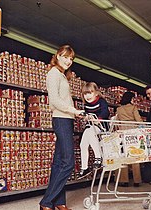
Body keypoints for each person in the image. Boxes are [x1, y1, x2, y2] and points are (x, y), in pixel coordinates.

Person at [39, 45, 84, 210]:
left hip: (67, 120)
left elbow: (65, 100)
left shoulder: (62, 76)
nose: (68, 61)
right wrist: (74, 110)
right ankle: (46, 202)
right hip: (61, 119)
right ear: (57, 55)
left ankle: (59, 202)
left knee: (58, 163)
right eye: (65, 57)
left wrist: (76, 114)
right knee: (68, 163)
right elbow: (55, 101)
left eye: (71, 59)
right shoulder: (53, 74)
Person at [79, 82, 110, 177]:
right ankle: (84, 167)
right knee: (83, 144)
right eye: (85, 94)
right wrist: (86, 117)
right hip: (91, 127)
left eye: (90, 93)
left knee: (89, 132)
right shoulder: (86, 105)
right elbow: (88, 115)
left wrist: (98, 119)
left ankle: (98, 157)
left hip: (102, 127)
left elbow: (106, 112)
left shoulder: (101, 101)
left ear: (96, 93)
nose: (87, 96)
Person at [114, 91, 143, 187]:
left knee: (124, 156)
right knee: (135, 155)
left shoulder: (119, 109)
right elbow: (139, 120)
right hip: (133, 131)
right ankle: (137, 180)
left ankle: (124, 180)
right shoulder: (133, 108)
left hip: (123, 131)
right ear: (130, 99)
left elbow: (116, 122)